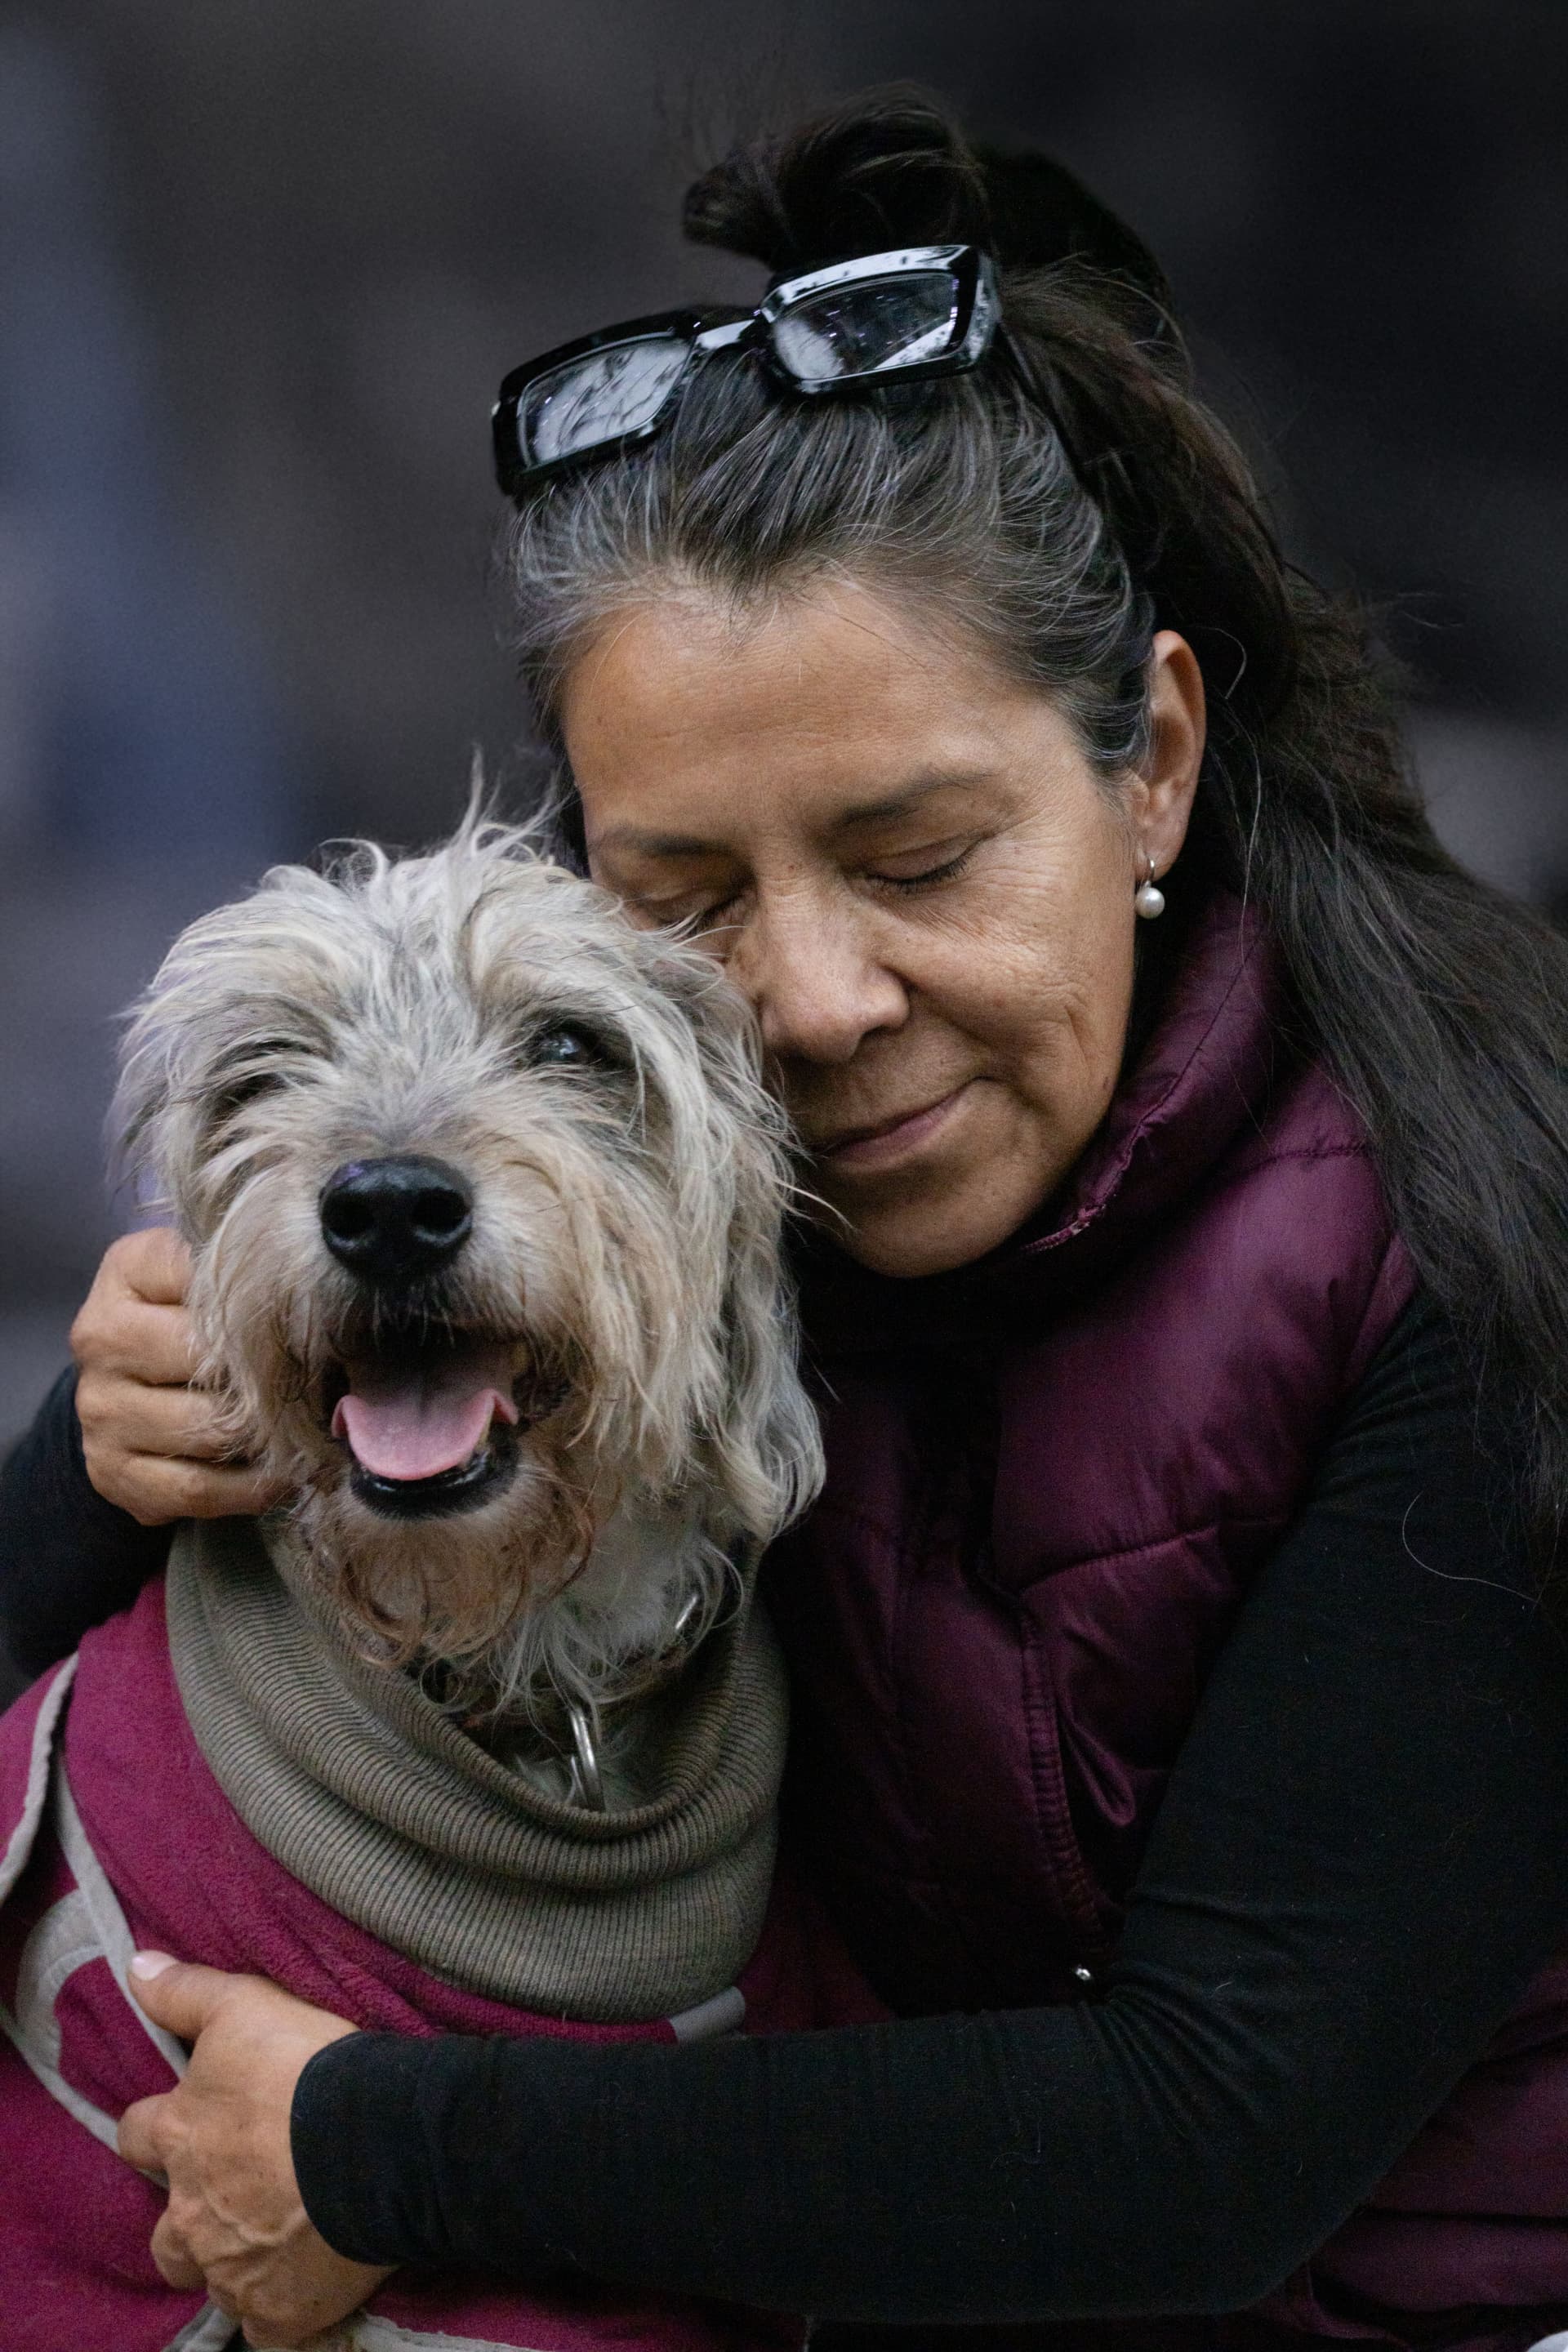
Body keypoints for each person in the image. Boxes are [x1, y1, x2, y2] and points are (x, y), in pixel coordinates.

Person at [6, 87, 1568, 2352]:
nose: (821, 1002)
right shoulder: (634, 1168)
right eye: (691, 893)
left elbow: (1201, 2146)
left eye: (921, 859)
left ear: (1151, 756)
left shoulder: (1475, 1243)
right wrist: (107, 1446)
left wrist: (373, 2146)